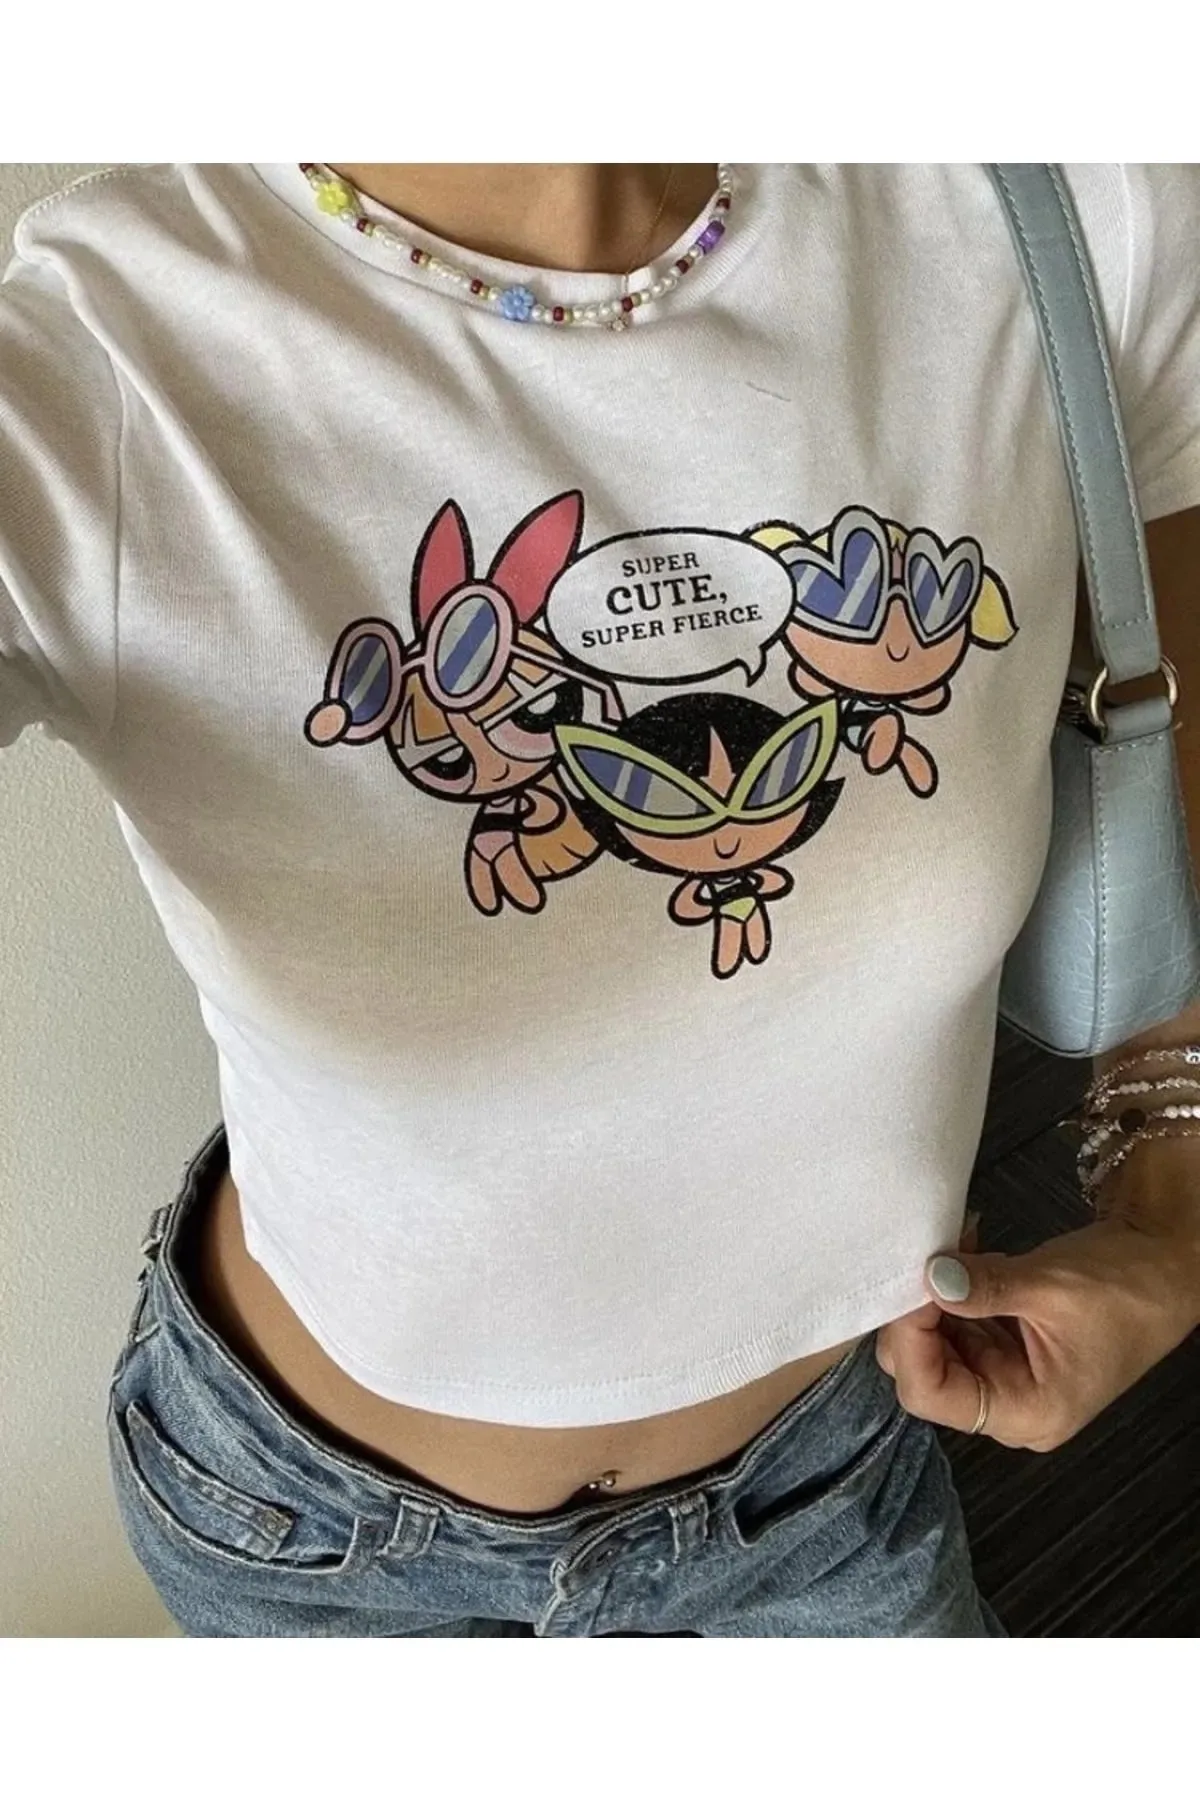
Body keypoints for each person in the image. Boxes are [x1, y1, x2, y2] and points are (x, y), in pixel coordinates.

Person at [3, 161, 1199, 1638]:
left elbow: (1160, 745)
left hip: (826, 1490)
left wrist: (1173, 1204)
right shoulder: (96, 359)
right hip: (306, 1530)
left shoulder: (1069, 209)